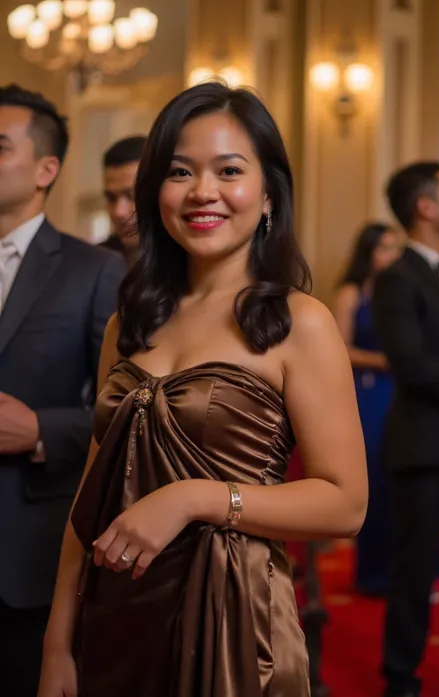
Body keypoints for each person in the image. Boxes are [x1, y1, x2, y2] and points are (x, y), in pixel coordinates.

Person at [38, 81, 368, 697]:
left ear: (269, 192)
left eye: (230, 170)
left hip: (235, 622)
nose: (202, 192)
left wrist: (197, 497)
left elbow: (346, 505)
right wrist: (58, 644)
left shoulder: (300, 322)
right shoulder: (129, 320)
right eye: (180, 171)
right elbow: (91, 495)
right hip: (115, 617)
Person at [0, 84, 125, 697]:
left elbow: (125, 408)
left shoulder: (94, 270)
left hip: (25, 541)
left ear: (46, 168)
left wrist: (43, 431)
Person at [372, 161, 439, 697]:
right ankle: (400, 679)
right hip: (424, 446)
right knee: (414, 573)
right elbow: (409, 362)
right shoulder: (395, 278)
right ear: (426, 207)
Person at [333, 222, 400, 596]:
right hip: (368, 389)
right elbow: (340, 347)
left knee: (399, 476)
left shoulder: (399, 291)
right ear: (369, 251)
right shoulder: (350, 292)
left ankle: (409, 572)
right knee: (373, 473)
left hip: (399, 388)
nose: (392, 255)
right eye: (385, 248)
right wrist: (383, 360)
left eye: (395, 247)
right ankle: (373, 574)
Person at [100, 135, 146, 267]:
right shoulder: (92, 264)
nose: (119, 212)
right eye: (111, 198)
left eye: (132, 196)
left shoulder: (194, 262)